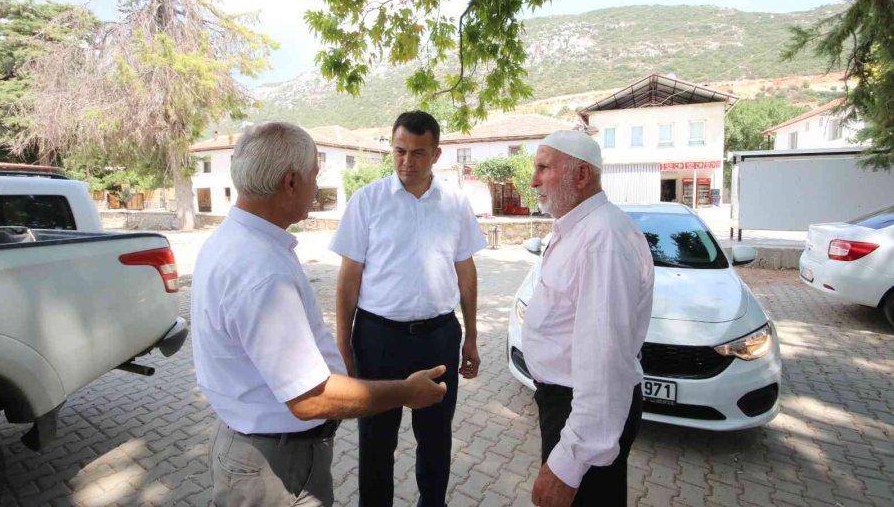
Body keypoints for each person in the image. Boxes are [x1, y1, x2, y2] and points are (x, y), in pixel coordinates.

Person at [191, 121, 448, 507]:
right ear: (291, 182)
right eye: (315, 175)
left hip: (255, 450)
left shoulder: (237, 241)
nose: (317, 186)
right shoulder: (261, 271)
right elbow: (310, 398)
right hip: (277, 468)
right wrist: (405, 392)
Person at [330, 110, 487, 507]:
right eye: (400, 151)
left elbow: (466, 272)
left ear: (436, 154)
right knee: (375, 442)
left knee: (435, 440)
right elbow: (349, 279)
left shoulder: (454, 204)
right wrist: (343, 345)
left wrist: (471, 336)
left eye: (418, 153)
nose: (407, 161)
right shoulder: (368, 201)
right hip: (378, 338)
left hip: (438, 338)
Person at [523, 130, 654, 507]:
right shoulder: (579, 229)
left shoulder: (602, 240)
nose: (533, 180)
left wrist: (568, 463)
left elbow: (603, 362)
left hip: (581, 411)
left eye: (544, 167)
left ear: (581, 176)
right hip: (567, 405)